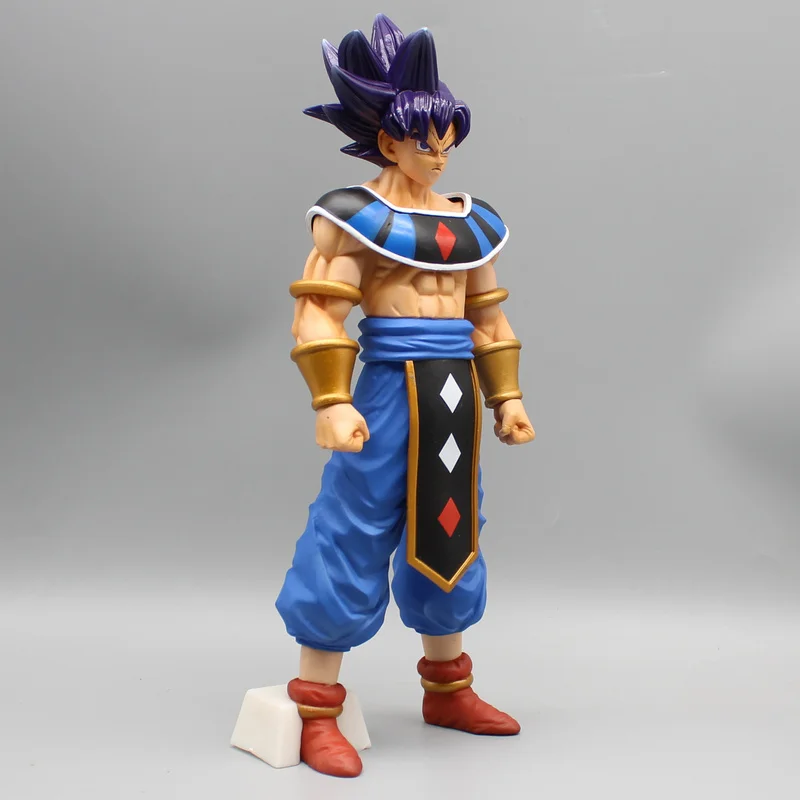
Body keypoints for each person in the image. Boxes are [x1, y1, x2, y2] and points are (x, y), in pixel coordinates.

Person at [275, 14, 535, 778]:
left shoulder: (472, 222)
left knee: (452, 532)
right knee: (352, 530)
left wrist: (507, 396)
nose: (440, 152)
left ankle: (448, 690)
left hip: (455, 395)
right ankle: (316, 709)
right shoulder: (353, 217)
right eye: (425, 139)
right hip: (388, 389)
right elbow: (319, 310)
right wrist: (332, 400)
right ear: (389, 141)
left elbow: (488, 317)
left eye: (448, 136)